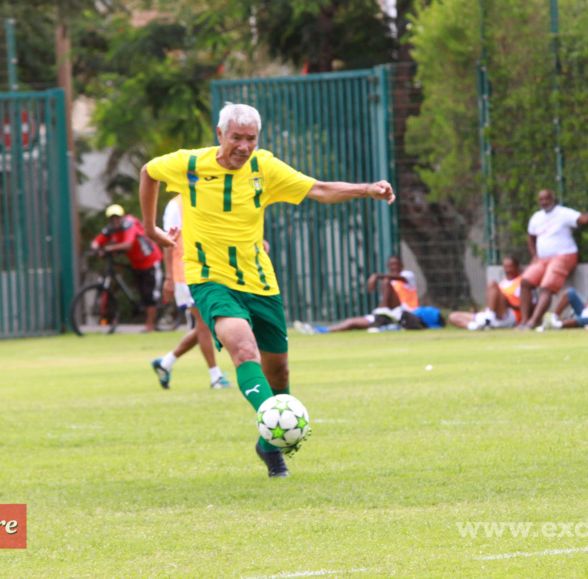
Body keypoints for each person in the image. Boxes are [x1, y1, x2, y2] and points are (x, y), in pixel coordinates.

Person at [139, 102, 395, 478]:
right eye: (237, 138)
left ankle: (267, 444)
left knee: (279, 371)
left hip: (260, 280)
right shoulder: (190, 164)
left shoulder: (264, 168)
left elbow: (319, 189)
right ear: (219, 134)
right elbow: (149, 172)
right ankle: (275, 422)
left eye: (251, 138)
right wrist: (150, 228)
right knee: (245, 350)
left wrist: (367, 189)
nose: (244, 146)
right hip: (209, 278)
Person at [151, 195, 232, 390]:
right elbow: (168, 241)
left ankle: (165, 363)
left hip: (207, 271)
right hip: (185, 273)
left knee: (206, 324)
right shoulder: (176, 205)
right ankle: (215, 376)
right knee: (204, 323)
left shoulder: (209, 195)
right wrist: (169, 277)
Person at [517, 189, 588, 330]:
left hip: (563, 256)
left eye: (547, 198)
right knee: (525, 281)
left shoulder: (563, 213)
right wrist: (534, 256)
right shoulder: (536, 217)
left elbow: (584, 219)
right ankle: (524, 321)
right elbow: (530, 237)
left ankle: (532, 322)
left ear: (553, 199)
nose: (544, 202)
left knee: (547, 285)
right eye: (541, 199)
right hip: (542, 259)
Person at [293, 254, 417, 334]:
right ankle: (319, 331)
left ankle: (383, 319)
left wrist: (376, 276)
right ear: (388, 266)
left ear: (402, 265)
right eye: (392, 264)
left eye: (397, 264)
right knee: (351, 322)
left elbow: (394, 279)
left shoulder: (407, 275)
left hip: (405, 313)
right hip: (390, 315)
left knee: (385, 281)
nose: (395, 267)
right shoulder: (388, 284)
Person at [91, 204, 163, 333]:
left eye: (117, 217)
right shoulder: (111, 230)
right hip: (136, 264)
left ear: (122, 217)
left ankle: (150, 326)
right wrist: (96, 249)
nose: (115, 221)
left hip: (150, 262)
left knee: (149, 295)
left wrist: (107, 249)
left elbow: (127, 245)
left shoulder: (129, 225)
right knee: (142, 294)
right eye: (112, 218)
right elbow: (96, 242)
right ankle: (147, 320)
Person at [448, 255, 529, 330]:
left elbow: (530, 305)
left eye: (510, 267)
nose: (508, 270)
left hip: (509, 315)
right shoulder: (503, 283)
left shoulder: (522, 282)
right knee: (453, 316)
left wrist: (510, 304)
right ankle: (477, 327)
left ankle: (488, 319)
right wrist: (483, 311)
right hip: (492, 315)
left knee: (492, 283)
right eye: (505, 267)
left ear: (518, 267)